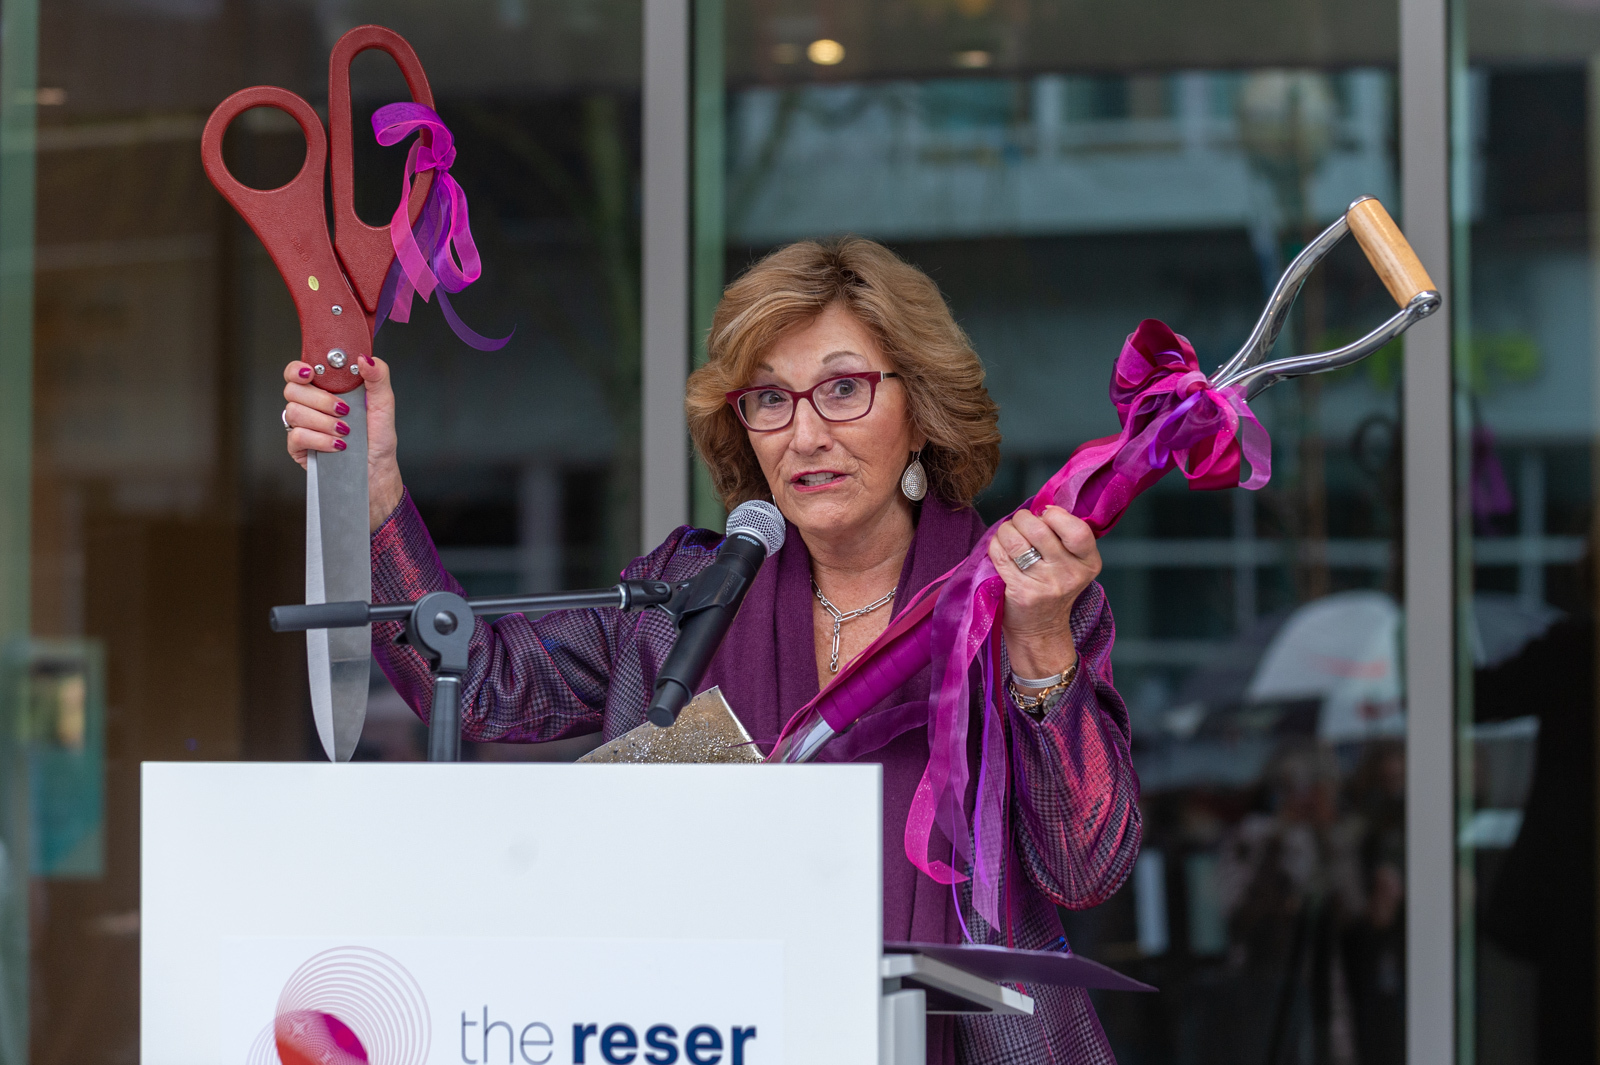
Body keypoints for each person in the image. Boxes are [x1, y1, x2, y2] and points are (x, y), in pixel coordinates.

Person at [281, 237, 1142, 1064]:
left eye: (842, 390)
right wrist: (377, 486)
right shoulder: (687, 594)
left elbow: (1086, 866)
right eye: (770, 399)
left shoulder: (1018, 599)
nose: (804, 435)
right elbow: (482, 688)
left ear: (919, 410)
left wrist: (1037, 644)